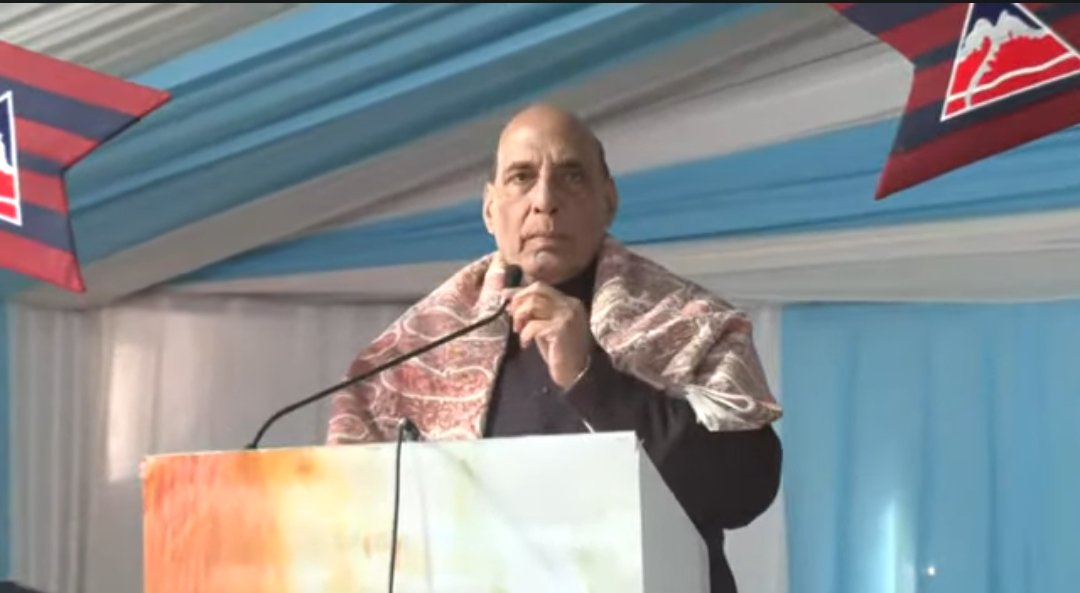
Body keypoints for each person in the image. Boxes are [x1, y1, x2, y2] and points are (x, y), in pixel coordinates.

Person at [327, 103, 783, 593]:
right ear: (489, 209)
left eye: (571, 177)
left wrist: (591, 378)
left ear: (608, 201)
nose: (544, 200)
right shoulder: (414, 353)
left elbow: (744, 490)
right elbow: (353, 527)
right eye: (521, 177)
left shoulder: (688, 322)